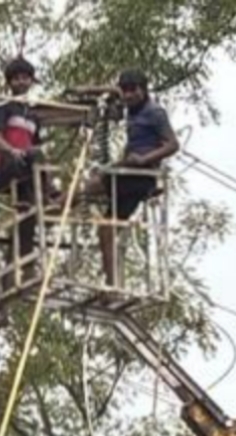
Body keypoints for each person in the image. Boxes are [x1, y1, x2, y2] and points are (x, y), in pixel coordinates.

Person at [88, 69, 178, 287]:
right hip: (124, 173)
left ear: (143, 90)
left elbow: (173, 144)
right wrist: (87, 90)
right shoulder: (131, 107)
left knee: (106, 226)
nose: (128, 96)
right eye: (125, 92)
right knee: (89, 188)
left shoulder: (154, 112)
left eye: (133, 91)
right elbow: (113, 91)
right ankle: (53, 204)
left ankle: (113, 283)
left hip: (138, 176)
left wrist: (145, 159)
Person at [0, 56, 45, 279]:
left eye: (25, 78)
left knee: (28, 217)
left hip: (26, 171)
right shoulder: (3, 107)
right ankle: (45, 193)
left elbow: (36, 146)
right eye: (16, 79)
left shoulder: (33, 115)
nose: (21, 83)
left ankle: (22, 266)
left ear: (31, 81)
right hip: (5, 166)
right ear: (9, 83)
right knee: (26, 156)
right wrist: (12, 150)